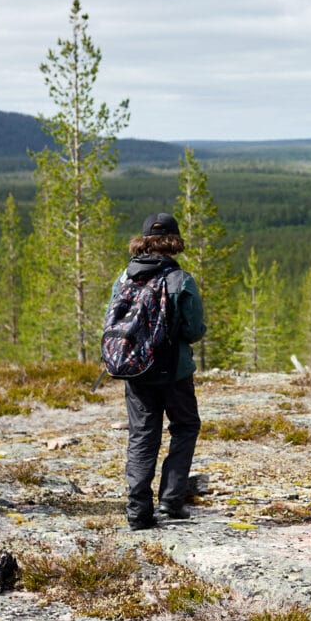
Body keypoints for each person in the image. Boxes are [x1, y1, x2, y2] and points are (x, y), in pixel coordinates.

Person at [112, 213, 206, 530]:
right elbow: (193, 330)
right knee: (185, 426)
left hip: (136, 370)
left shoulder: (124, 278)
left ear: (143, 241)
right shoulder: (180, 280)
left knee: (142, 435)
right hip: (174, 371)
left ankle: (138, 512)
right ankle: (171, 500)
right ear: (174, 241)